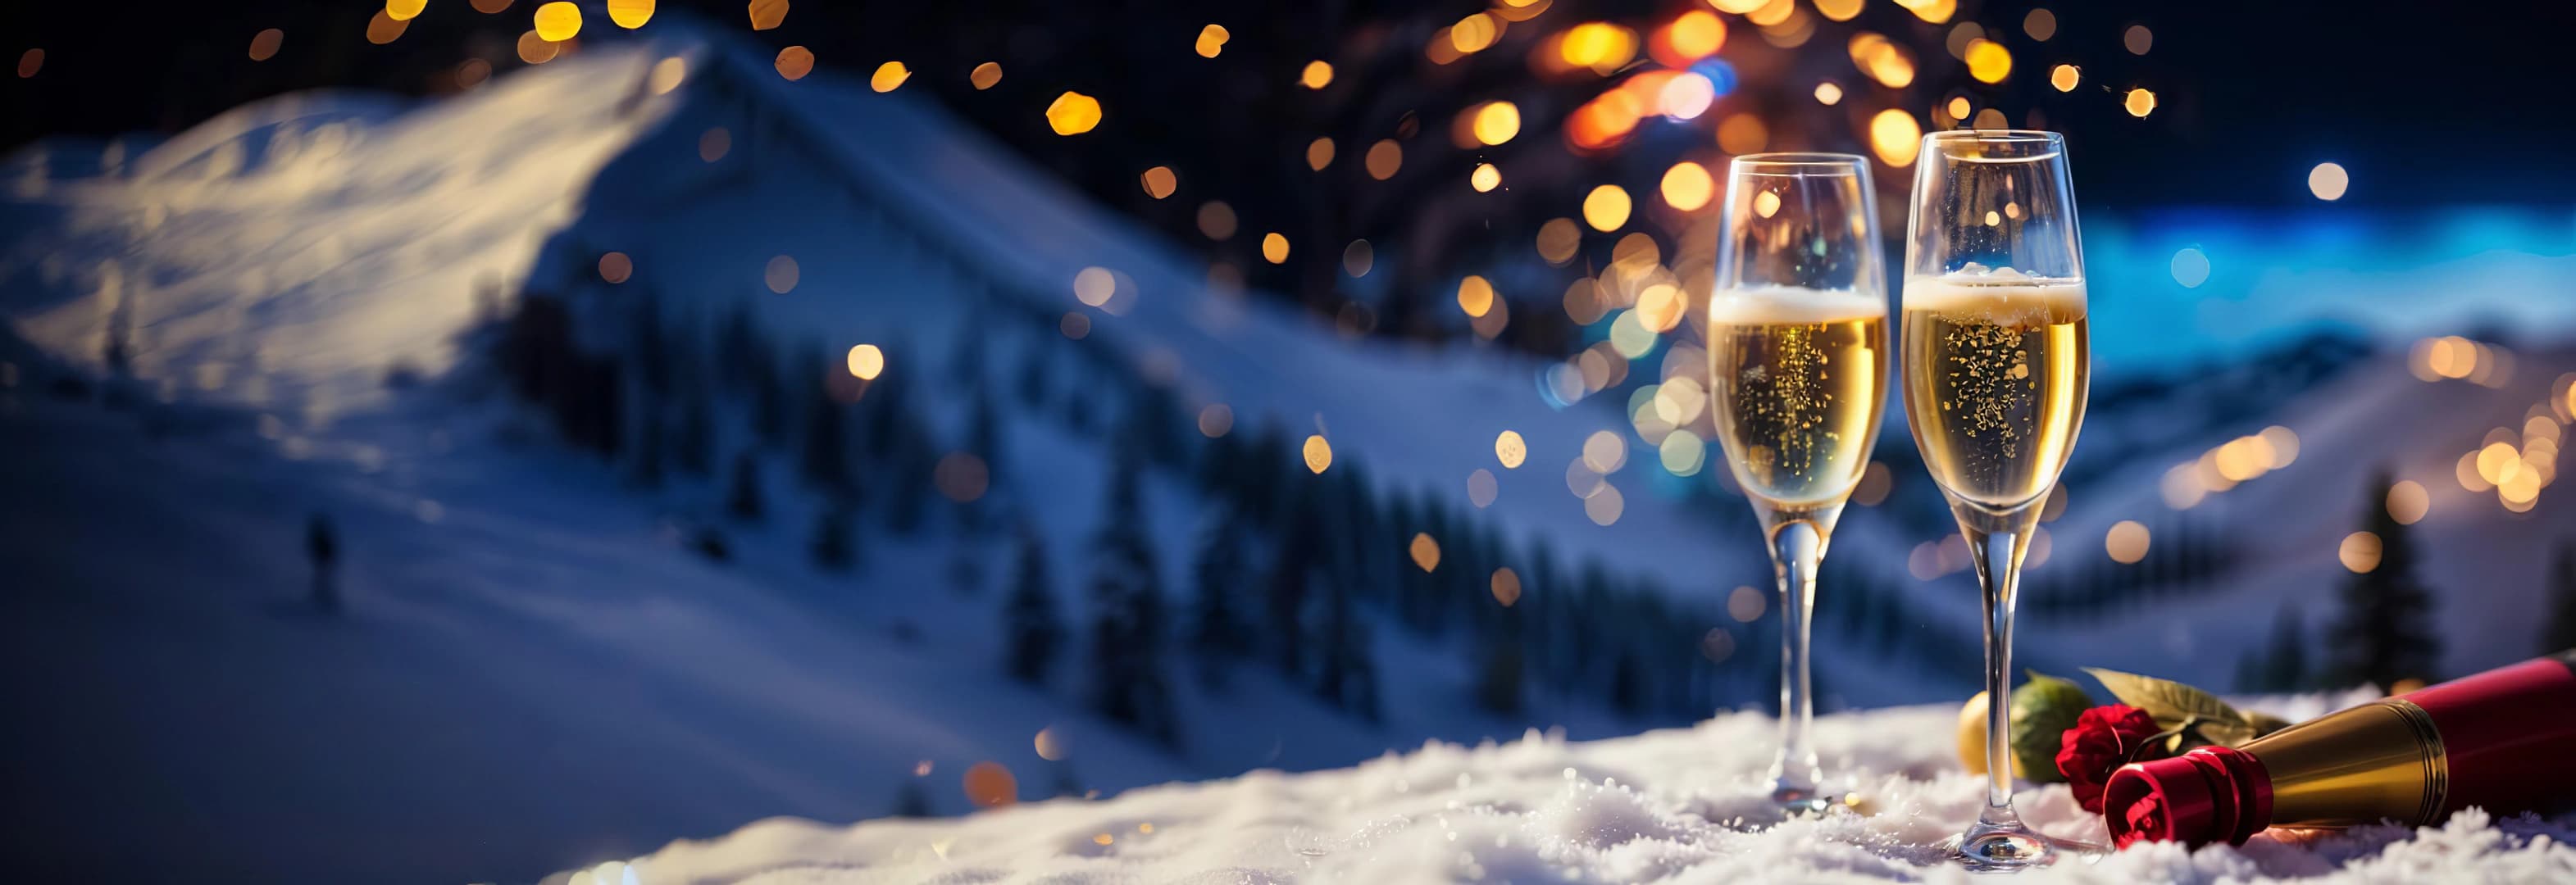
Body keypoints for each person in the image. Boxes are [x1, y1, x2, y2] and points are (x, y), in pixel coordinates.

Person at [307, 513, 339, 615]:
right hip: (323, 562)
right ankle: (322, 600)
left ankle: (324, 600)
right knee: (322, 581)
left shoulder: (320, 536)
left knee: (323, 581)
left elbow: (329, 549)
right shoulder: (320, 536)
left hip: (324, 562)